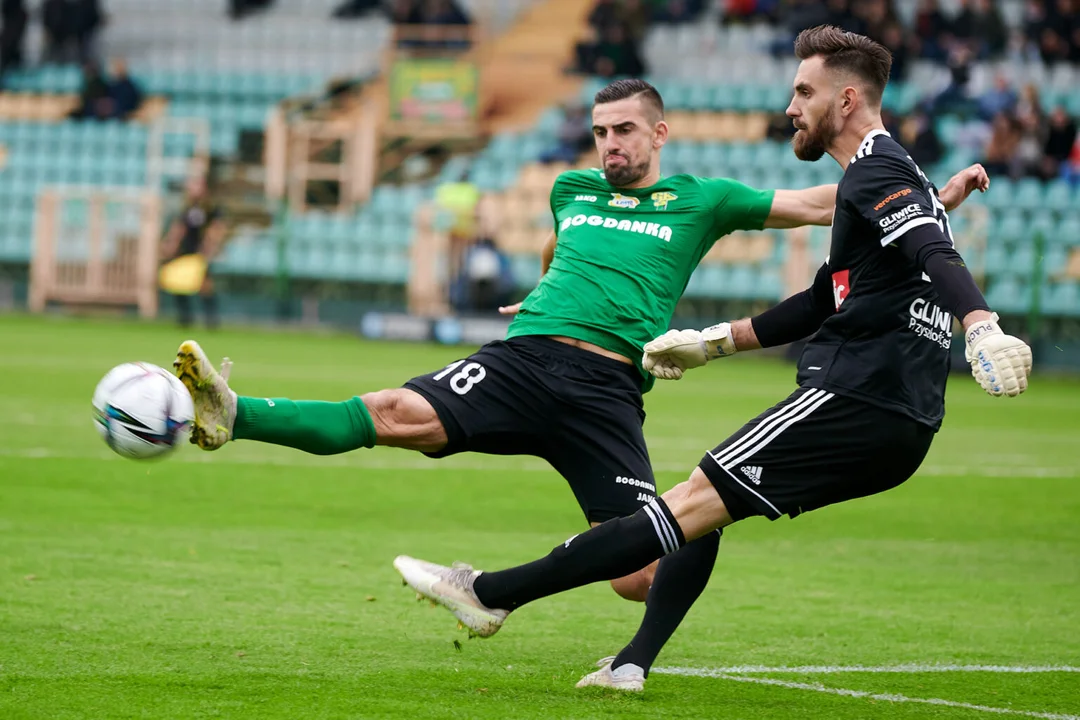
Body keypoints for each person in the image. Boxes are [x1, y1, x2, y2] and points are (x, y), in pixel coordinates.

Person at [174, 77, 982, 686]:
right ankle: (235, 414)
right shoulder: (570, 190)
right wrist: (545, 292)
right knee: (392, 412)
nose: (609, 145)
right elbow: (562, 252)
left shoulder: (704, 199)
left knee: (654, 557)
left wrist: (928, 201)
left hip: (606, 391)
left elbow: (825, 202)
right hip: (522, 361)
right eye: (599, 132)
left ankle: (634, 661)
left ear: (658, 133)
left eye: (624, 130)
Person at [392, 26, 1033, 692]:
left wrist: (980, 325)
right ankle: (630, 664)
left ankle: (490, 593)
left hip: (853, 393)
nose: (791, 107)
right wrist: (710, 343)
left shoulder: (877, 168)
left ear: (845, 101)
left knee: (686, 504)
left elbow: (933, 250)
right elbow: (821, 300)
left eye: (804, 91)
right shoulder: (882, 182)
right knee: (706, 512)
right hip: (906, 421)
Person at [160, 174, 226, 329]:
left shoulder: (211, 208)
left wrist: (210, 247)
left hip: (200, 253)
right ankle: (185, 319)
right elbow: (179, 228)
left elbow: (217, 228)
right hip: (185, 251)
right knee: (179, 284)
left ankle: (211, 320)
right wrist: (170, 244)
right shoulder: (186, 208)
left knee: (205, 286)